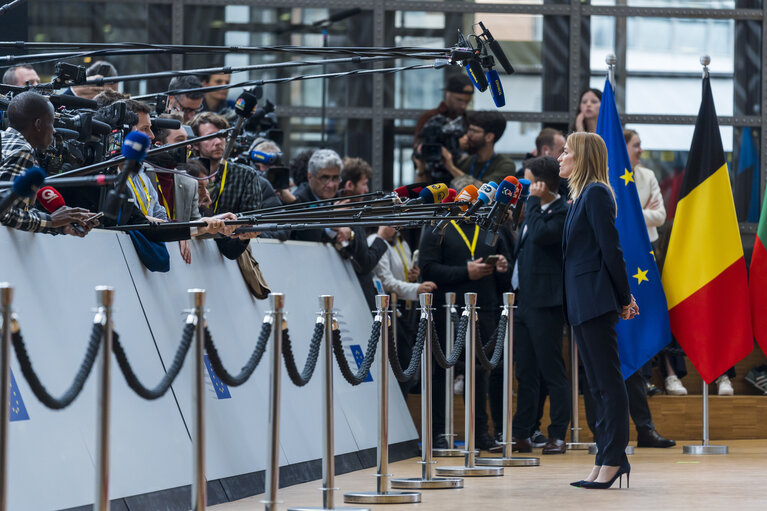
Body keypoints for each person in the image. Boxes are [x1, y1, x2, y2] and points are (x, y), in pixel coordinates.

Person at [559, 132, 636, 489]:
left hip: (595, 300)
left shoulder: (597, 193)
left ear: (582, 157)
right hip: (581, 301)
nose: (560, 157)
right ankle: (603, 458)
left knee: (607, 384)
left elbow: (612, 251)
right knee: (597, 386)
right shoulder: (579, 197)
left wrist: (624, 298)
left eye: (566, 152)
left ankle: (614, 459)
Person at [419, 207, 512, 451]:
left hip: (485, 308)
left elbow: (506, 277)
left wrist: (503, 266)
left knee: (480, 373)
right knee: (441, 371)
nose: (472, 206)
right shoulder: (438, 226)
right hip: (446, 310)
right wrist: (465, 272)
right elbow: (427, 269)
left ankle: (480, 433)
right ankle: (438, 434)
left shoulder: (490, 227)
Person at [503, 156, 570, 455]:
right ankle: (523, 432)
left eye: (529, 181)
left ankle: (557, 433)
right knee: (526, 371)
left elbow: (543, 236)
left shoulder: (560, 211)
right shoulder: (534, 212)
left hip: (546, 303)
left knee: (552, 371)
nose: (525, 187)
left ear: (542, 184)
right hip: (524, 301)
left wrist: (532, 203)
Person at [624, 128, 688, 395]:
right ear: (624, 146)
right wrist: (641, 211)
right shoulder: (609, 174)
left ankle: (666, 375)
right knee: (630, 315)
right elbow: (615, 216)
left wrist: (630, 212)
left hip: (648, 251)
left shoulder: (648, 175)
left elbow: (660, 216)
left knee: (651, 311)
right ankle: (638, 377)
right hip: (624, 251)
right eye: (636, 145)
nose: (641, 150)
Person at [0, 91, 95, 235]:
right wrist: (51, 221)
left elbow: (16, 208)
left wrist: (61, 226)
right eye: (51, 123)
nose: (54, 130)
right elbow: (4, 212)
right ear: (38, 124)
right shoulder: (22, 151)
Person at [441, 110, 516, 191]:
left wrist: (451, 168)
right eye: (469, 129)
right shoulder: (465, 162)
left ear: (489, 137)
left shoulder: (505, 165)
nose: (468, 135)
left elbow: (483, 191)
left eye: (474, 131)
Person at [414, 74, 474, 143]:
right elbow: (420, 148)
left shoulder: (467, 120)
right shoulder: (430, 117)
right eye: (459, 100)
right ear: (447, 94)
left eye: (467, 102)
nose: (463, 106)